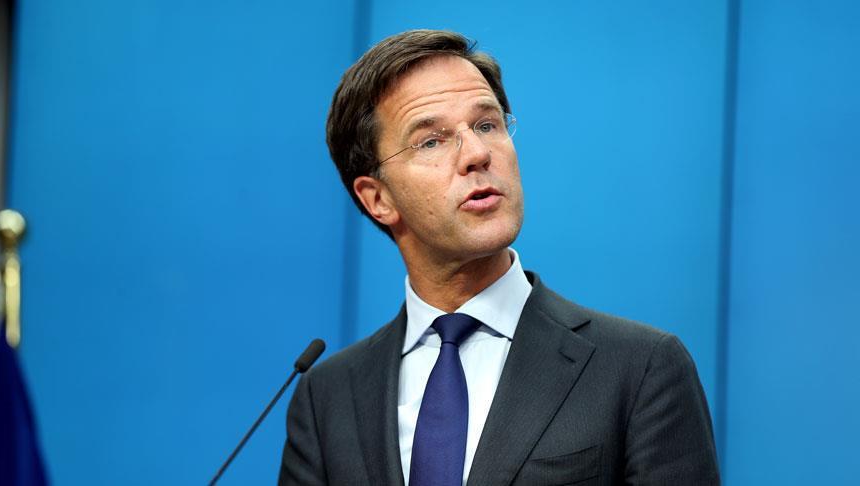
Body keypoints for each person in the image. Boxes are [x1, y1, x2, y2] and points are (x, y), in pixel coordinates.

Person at [279, 29, 720, 486]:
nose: (477, 153)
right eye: (431, 141)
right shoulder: (326, 399)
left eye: (487, 125)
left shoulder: (639, 368)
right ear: (378, 199)